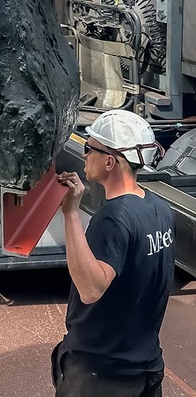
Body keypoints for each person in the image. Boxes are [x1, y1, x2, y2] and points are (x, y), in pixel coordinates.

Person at [54, 110, 174, 397]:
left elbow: (91, 289)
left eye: (89, 148)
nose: (84, 155)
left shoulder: (113, 218)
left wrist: (71, 213)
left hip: (103, 373)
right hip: (145, 364)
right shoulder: (159, 208)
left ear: (110, 161)